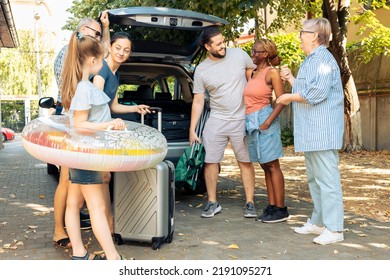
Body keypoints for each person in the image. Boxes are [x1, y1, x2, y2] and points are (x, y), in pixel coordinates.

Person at [277, 18, 345, 245]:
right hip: (311, 132)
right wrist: (290, 79)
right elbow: (306, 89)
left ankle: (335, 229)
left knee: (328, 181)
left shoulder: (324, 59)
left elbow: (316, 94)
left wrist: (287, 97)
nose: (299, 36)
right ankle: (318, 222)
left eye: (302, 32)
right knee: (315, 180)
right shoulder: (311, 60)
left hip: (322, 132)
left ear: (315, 36)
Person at [61, 31, 125, 260]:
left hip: (83, 153)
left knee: (74, 203)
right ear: (92, 61)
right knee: (96, 208)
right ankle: (114, 259)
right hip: (87, 154)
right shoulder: (84, 89)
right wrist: (109, 125)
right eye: (102, 59)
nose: (104, 64)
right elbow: (80, 124)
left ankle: (79, 253)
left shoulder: (83, 87)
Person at [52, 13, 110, 249]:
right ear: (81, 30)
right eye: (94, 32)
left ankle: (77, 244)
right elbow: (75, 102)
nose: (97, 37)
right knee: (67, 182)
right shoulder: (69, 57)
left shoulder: (84, 54)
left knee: (74, 187)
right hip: (75, 123)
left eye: (98, 34)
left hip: (79, 124)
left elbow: (102, 52)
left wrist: (105, 27)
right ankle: (59, 230)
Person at [190, 27, 257, 218]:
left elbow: (253, 76)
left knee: (245, 161)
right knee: (210, 161)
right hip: (217, 119)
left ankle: (250, 202)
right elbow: (198, 100)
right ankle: (212, 202)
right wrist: (192, 129)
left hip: (241, 118)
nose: (223, 46)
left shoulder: (239, 55)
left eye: (223, 41)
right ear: (206, 46)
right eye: (218, 44)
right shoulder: (201, 70)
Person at [92, 31, 151, 234]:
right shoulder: (102, 70)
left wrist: (135, 108)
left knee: (104, 178)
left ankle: (107, 221)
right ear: (110, 47)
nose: (121, 52)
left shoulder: (116, 73)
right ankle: (103, 222)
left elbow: (114, 106)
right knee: (93, 180)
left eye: (126, 50)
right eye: (118, 48)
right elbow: (95, 106)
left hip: (104, 129)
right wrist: (109, 124)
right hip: (94, 131)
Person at [243, 39, 288, 223]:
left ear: (266, 54)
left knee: (272, 165)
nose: (253, 54)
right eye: (253, 50)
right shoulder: (251, 73)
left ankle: (281, 209)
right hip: (251, 121)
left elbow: (282, 99)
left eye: (257, 52)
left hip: (264, 120)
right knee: (264, 165)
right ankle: (271, 206)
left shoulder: (272, 73)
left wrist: (268, 122)